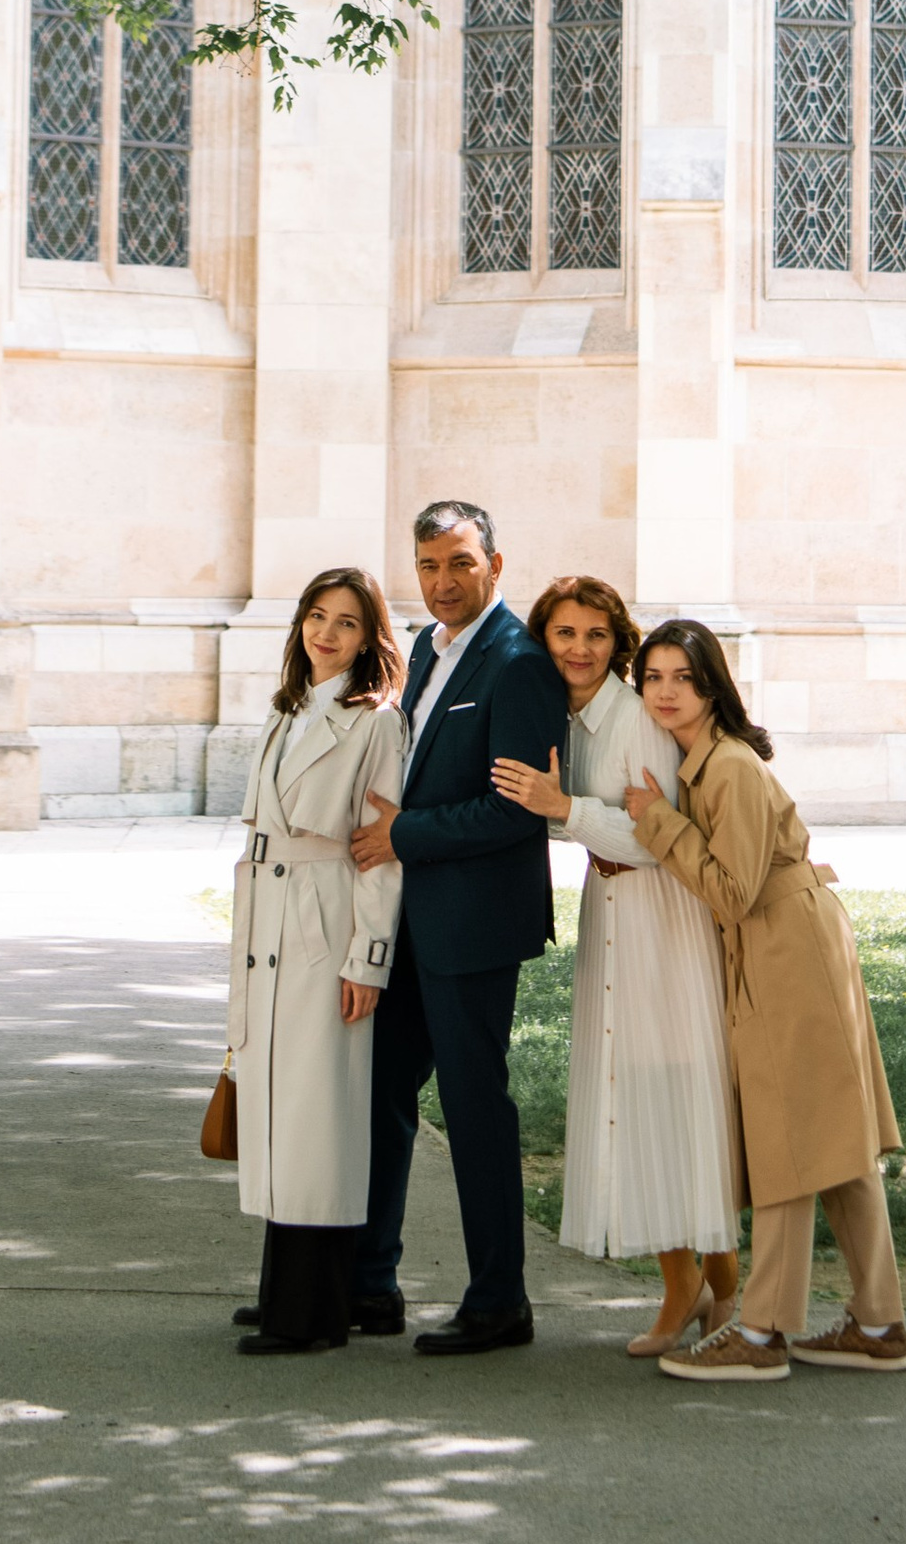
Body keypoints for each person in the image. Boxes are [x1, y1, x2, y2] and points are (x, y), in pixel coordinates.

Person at [623, 619, 906, 1383]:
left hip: (786, 946)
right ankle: (879, 1322)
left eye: (681, 677)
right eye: (652, 677)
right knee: (836, 1138)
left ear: (711, 683)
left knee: (789, 1133)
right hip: (792, 938)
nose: (665, 691)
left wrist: (655, 823)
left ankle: (759, 1334)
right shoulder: (707, 765)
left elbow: (731, 890)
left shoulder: (728, 768)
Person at [491, 574, 741, 1353]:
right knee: (650, 1088)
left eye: (596, 635)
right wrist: (570, 815)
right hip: (614, 913)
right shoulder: (570, 717)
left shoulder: (633, 719)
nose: (580, 648)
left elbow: (653, 838)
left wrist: (563, 809)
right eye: (565, 633)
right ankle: (717, 1288)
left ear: (617, 642)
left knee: (662, 1086)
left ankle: (688, 1285)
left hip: (661, 922)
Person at [349, 498, 571, 1356]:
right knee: (382, 1094)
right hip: (409, 919)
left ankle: (499, 1301)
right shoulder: (424, 648)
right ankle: (371, 1284)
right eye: (430, 566)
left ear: (496, 565)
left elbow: (514, 813)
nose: (444, 583)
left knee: (476, 1108)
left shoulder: (516, 663)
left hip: (472, 924)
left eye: (461, 565)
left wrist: (401, 833)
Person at [225, 567, 406, 1357]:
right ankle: (281, 1293)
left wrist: (367, 960)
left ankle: (315, 1314)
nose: (326, 634)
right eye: (316, 617)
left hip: (323, 923)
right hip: (270, 919)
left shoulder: (375, 723)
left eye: (347, 624)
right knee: (276, 1108)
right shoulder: (290, 711)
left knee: (316, 1116)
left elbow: (381, 854)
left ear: (371, 640)